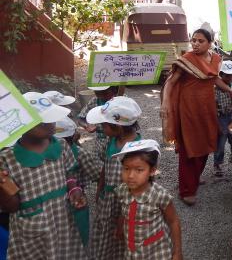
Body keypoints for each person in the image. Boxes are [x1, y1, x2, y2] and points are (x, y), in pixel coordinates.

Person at [0, 92, 87, 259]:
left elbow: (69, 172)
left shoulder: (61, 145)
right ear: (24, 123)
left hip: (63, 222)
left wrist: (74, 189)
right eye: (44, 120)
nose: (52, 124)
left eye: (52, 117)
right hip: (33, 229)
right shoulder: (7, 158)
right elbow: (12, 207)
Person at [161, 28, 232, 206]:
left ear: (210, 43)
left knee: (205, 144)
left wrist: (230, 90)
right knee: (189, 147)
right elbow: (170, 82)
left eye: (200, 41)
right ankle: (186, 190)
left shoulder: (216, 59)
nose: (195, 44)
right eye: (193, 40)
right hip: (188, 109)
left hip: (207, 110)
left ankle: (193, 178)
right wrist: (165, 103)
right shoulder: (187, 59)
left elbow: (214, 79)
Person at [87, 96, 142, 260]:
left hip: (125, 204)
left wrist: (122, 219)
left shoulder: (137, 150)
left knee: (120, 235)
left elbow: (135, 190)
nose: (101, 127)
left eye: (104, 124)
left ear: (118, 127)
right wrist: (100, 187)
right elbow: (106, 164)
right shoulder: (112, 140)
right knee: (105, 233)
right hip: (108, 198)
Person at [113, 139, 183, 260]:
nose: (130, 176)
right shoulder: (122, 190)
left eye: (139, 170)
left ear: (152, 170)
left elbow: (173, 221)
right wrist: (120, 226)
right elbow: (124, 211)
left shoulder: (159, 195)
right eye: (126, 168)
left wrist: (177, 252)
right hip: (132, 252)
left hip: (157, 252)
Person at [54, 116, 101, 247]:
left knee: (76, 236)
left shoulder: (79, 153)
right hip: (70, 202)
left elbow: (98, 174)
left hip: (74, 200)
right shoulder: (80, 152)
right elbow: (97, 173)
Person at [78, 85, 119, 161]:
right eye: (97, 93)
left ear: (114, 90)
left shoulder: (121, 98)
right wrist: (87, 126)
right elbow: (80, 118)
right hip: (100, 142)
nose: (101, 96)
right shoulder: (95, 101)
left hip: (117, 140)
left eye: (105, 93)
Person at [214, 60, 232, 177]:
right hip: (221, 119)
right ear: (221, 75)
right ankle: (218, 164)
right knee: (220, 143)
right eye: (227, 75)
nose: (230, 77)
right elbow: (214, 107)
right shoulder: (215, 90)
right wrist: (217, 123)